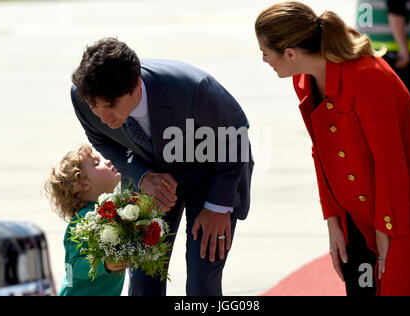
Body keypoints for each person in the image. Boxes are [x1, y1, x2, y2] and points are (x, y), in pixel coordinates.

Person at [255, 1, 410, 296]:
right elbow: (322, 153)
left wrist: (385, 231)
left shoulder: (366, 76)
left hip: (402, 210)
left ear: (290, 53)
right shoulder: (303, 80)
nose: (264, 61)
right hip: (355, 211)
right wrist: (333, 222)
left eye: (265, 53)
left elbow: (389, 161)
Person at [70, 38, 254, 296]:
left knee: (203, 279)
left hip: (211, 174)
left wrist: (218, 206)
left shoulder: (193, 88)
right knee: (144, 279)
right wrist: (142, 176)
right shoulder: (81, 97)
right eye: (94, 108)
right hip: (150, 181)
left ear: (135, 85)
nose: (104, 117)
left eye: (111, 106)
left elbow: (236, 136)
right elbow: (101, 139)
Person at [45, 144, 126, 296]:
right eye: (97, 163)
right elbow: (75, 266)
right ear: (84, 185)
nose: (107, 161)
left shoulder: (115, 211)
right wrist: (104, 264)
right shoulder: (84, 221)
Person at [357, 0, 410, 106]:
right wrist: (403, 48)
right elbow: (396, 12)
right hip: (391, 52)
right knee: (402, 109)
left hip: (368, 49)